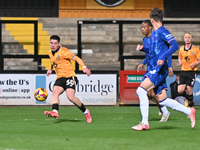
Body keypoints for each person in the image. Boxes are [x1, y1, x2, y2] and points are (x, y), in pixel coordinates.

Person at [132, 8, 196, 131]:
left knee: (141, 91)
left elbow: (175, 45)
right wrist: (142, 49)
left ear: (152, 20)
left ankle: (145, 123)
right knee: (164, 100)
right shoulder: (155, 33)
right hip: (153, 68)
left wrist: (163, 57)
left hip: (158, 69)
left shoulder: (162, 31)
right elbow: (152, 50)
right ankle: (189, 111)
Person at [44, 35, 92, 123]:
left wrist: (84, 67)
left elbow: (77, 58)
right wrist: (50, 69)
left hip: (70, 76)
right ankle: (55, 111)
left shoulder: (64, 51)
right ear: (49, 43)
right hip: (60, 77)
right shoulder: (50, 53)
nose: (53, 45)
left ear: (59, 44)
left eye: (55, 43)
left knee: (70, 97)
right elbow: (53, 61)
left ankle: (85, 112)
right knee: (55, 92)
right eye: (51, 43)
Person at [137, 20, 171, 122]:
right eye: (141, 27)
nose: (143, 29)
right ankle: (164, 110)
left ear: (150, 27)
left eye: (144, 27)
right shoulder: (144, 39)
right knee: (149, 93)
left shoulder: (156, 37)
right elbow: (149, 54)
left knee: (146, 91)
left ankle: (164, 111)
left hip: (158, 68)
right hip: (150, 68)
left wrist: (169, 66)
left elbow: (167, 51)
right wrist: (143, 63)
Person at [178, 33, 200, 107]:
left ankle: (190, 104)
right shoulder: (181, 48)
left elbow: (199, 60)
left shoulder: (196, 49)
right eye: (186, 37)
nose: (187, 39)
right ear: (184, 39)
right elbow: (179, 56)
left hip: (192, 72)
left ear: (191, 39)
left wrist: (194, 64)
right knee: (180, 90)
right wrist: (179, 61)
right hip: (183, 71)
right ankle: (189, 99)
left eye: (189, 37)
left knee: (189, 89)